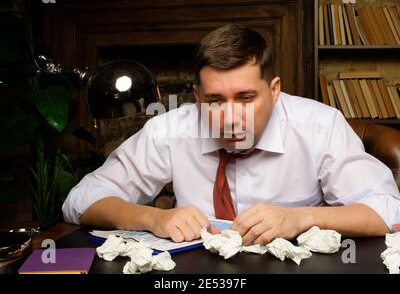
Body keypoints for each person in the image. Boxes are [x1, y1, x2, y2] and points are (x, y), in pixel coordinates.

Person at [63, 24, 400, 246]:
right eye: (214, 101)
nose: (229, 117)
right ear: (197, 97)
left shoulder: (321, 126)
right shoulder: (170, 129)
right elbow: (81, 200)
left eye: (245, 98)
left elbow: (387, 210)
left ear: (275, 90)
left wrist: (301, 217)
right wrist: (153, 217)